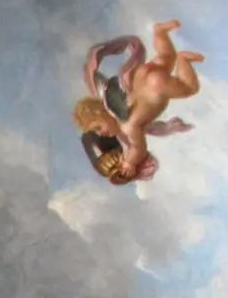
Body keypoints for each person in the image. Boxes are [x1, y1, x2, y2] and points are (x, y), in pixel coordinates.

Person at [74, 20, 204, 185]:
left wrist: (130, 163)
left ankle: (184, 60)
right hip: (142, 76)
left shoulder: (127, 126)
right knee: (166, 57)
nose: (101, 133)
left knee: (189, 88)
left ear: (102, 112)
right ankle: (160, 31)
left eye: (98, 127)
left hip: (156, 88)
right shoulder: (115, 100)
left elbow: (138, 148)